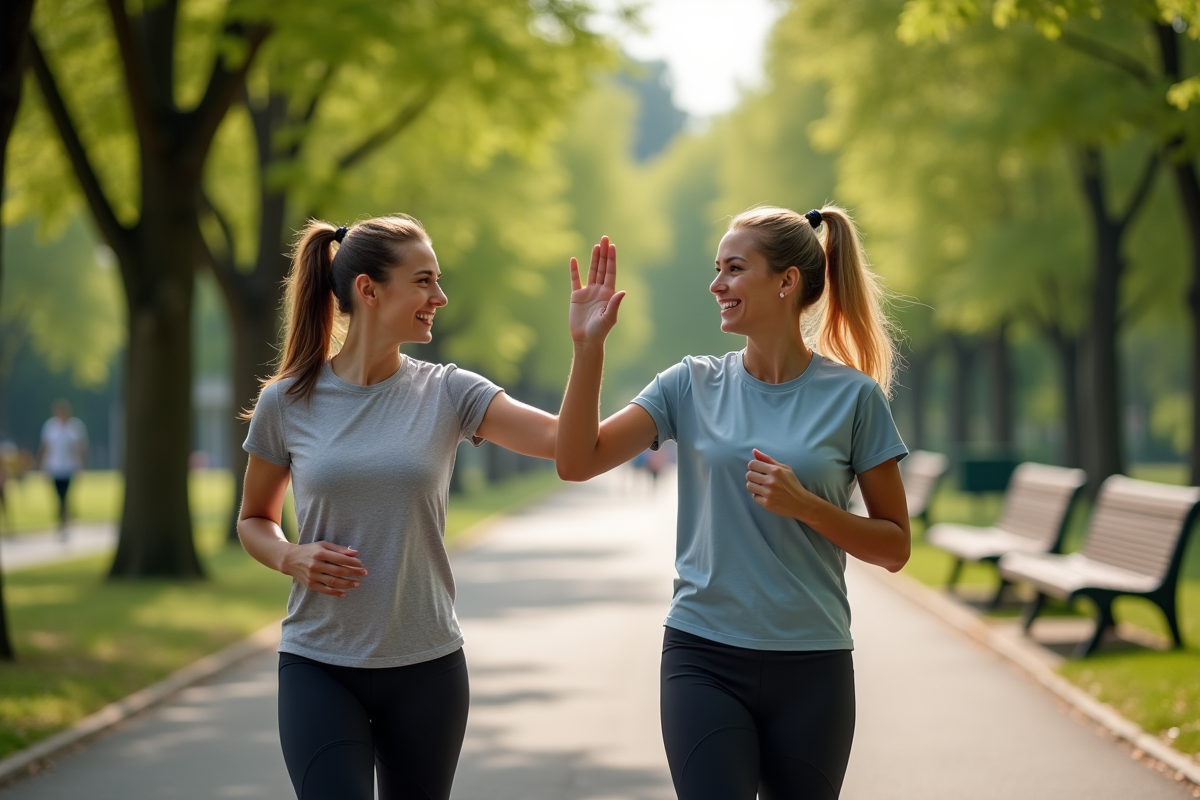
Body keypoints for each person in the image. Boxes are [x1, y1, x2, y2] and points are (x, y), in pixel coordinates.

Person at [556, 207, 911, 800]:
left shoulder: (855, 398)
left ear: (786, 281)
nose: (716, 285)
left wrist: (810, 507)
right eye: (716, 269)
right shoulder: (688, 385)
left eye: (734, 269)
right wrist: (587, 347)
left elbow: (896, 546)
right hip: (704, 658)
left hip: (813, 663)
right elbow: (577, 461)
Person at [237, 215, 557, 800]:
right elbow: (254, 518)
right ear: (369, 289)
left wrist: (586, 347)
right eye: (425, 280)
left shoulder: (450, 391)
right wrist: (291, 557)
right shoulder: (286, 401)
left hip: (427, 668)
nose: (440, 297)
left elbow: (565, 444)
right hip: (319, 665)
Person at [38, 400, 87, 541]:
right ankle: (62, 522)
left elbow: (80, 447)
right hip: (54, 468)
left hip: (70, 468)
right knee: (58, 497)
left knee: (64, 497)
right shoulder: (50, 427)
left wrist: (81, 465)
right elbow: (45, 447)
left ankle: (64, 523)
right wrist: (41, 464)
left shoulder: (75, 427)